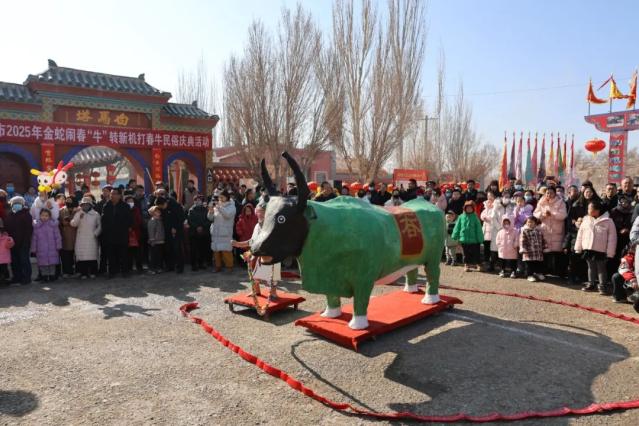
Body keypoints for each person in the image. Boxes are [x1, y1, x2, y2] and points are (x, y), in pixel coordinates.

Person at [232, 201, 282, 301]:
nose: (260, 213)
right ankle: (256, 290)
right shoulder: (257, 225)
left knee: (272, 276)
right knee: (254, 273)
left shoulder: (272, 224)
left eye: (263, 211)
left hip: (271, 254)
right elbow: (252, 241)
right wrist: (238, 244)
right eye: (258, 211)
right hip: (259, 254)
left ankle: (273, 293)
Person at [575, 200, 617, 294]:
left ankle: (602, 286)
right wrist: (578, 247)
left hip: (601, 250)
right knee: (590, 267)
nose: (588, 210)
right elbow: (580, 234)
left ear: (597, 210)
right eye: (588, 208)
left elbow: (612, 238)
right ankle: (591, 283)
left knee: (601, 268)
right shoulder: (586, 220)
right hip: (588, 248)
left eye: (590, 208)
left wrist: (610, 252)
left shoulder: (608, 221)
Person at [534, 186, 567, 277]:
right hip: (545, 229)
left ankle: (559, 272)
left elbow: (563, 215)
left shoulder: (560, 202)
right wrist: (542, 214)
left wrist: (552, 214)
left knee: (557, 252)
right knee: (545, 251)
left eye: (551, 193)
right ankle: (545, 270)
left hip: (556, 229)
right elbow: (535, 213)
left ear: (555, 193)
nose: (549, 194)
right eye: (547, 193)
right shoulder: (541, 202)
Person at [101, 188, 132, 278]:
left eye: (114, 194)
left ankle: (125, 271)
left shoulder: (125, 206)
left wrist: (126, 228)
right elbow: (103, 220)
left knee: (124, 254)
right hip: (110, 235)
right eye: (111, 194)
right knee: (111, 254)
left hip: (122, 234)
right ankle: (112, 272)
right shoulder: (106, 206)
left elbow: (129, 219)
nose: (112, 195)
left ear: (119, 195)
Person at [71, 197, 101, 279]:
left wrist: (95, 233)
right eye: (84, 205)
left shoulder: (96, 214)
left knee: (92, 256)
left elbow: (100, 225)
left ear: (90, 205)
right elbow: (73, 224)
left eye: (87, 204)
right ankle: (83, 273)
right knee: (82, 256)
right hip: (81, 238)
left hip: (92, 238)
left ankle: (93, 272)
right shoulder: (78, 213)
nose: (85, 206)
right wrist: (78, 217)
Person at [451, 201, 484, 272]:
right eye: (467, 208)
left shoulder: (475, 217)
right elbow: (457, 227)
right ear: (464, 208)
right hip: (464, 239)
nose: (469, 209)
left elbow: (478, 229)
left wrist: (480, 238)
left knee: (476, 253)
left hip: (474, 240)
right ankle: (466, 265)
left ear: (473, 209)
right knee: (465, 254)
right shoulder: (461, 217)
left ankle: (478, 264)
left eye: (470, 208)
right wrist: (455, 235)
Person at [31, 209, 62, 283]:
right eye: (42, 215)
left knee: (52, 264)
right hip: (41, 249)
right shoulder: (37, 226)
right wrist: (33, 248)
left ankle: (52, 276)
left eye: (46, 216)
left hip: (52, 248)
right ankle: (44, 276)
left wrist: (58, 245)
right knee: (43, 264)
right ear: (40, 216)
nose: (44, 217)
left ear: (49, 216)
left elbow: (58, 236)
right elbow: (34, 238)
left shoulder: (53, 225)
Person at [209, 190, 236, 272]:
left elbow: (227, 215)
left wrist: (219, 208)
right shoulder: (217, 206)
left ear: (227, 197)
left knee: (226, 250)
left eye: (222, 197)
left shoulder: (231, 206)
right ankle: (218, 266)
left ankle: (229, 266)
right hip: (216, 232)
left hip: (225, 232)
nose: (220, 198)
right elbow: (210, 218)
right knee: (216, 250)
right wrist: (210, 211)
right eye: (219, 197)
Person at [187, 195, 211, 271]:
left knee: (202, 249)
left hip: (204, 232)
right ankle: (193, 265)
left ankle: (201, 263)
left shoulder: (205, 209)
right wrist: (197, 227)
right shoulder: (191, 210)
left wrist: (202, 227)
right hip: (194, 232)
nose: (198, 201)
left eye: (199, 200)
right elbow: (190, 221)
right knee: (194, 250)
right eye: (196, 200)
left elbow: (208, 220)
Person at [520, 216, 547, 282]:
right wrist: (523, 248)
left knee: (538, 263)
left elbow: (543, 240)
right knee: (529, 264)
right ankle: (529, 275)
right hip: (529, 252)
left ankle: (538, 273)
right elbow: (522, 241)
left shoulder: (539, 231)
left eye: (532, 222)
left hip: (538, 252)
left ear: (535, 223)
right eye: (528, 222)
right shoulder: (525, 231)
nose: (530, 223)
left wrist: (545, 248)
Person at [563, 216, 587, 285]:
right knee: (572, 265)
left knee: (581, 265)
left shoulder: (586, 231)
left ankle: (580, 278)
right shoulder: (572, 230)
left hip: (582, 251)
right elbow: (567, 239)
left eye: (581, 221)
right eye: (578, 221)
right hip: (573, 251)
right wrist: (565, 247)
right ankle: (571, 279)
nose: (580, 222)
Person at [125, 194, 144, 273]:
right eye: (129, 201)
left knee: (138, 252)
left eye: (132, 201)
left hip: (136, 233)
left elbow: (139, 220)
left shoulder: (136, 209)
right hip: (126, 234)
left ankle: (139, 267)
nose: (130, 202)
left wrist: (132, 226)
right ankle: (129, 268)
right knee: (128, 253)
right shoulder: (124, 210)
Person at [59, 197, 78, 277]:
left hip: (76, 235)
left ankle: (77, 270)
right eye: (67, 201)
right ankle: (67, 271)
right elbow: (58, 222)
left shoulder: (78, 210)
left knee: (76, 255)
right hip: (65, 236)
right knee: (66, 255)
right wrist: (62, 223)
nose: (68, 203)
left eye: (70, 201)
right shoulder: (61, 210)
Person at [481, 191, 497, 270]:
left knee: (493, 248)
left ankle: (492, 263)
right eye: (488, 196)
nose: (489, 198)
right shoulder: (486, 206)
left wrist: (487, 218)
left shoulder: (496, 206)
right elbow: (482, 214)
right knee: (486, 247)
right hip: (486, 230)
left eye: (491, 196)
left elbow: (494, 216)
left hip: (493, 230)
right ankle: (486, 261)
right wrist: (483, 217)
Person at [147, 206, 165, 274]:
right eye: (156, 211)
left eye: (158, 211)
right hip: (154, 241)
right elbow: (151, 231)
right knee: (153, 256)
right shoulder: (152, 221)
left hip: (161, 240)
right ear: (152, 213)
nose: (158, 212)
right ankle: (152, 269)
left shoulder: (160, 220)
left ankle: (158, 268)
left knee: (159, 256)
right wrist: (152, 240)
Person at [0, 219, 15, 286]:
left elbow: (10, 245)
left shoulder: (6, 237)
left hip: (3, 258)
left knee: (4, 269)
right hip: (3, 258)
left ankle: (4, 280)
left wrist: (10, 241)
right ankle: (3, 280)